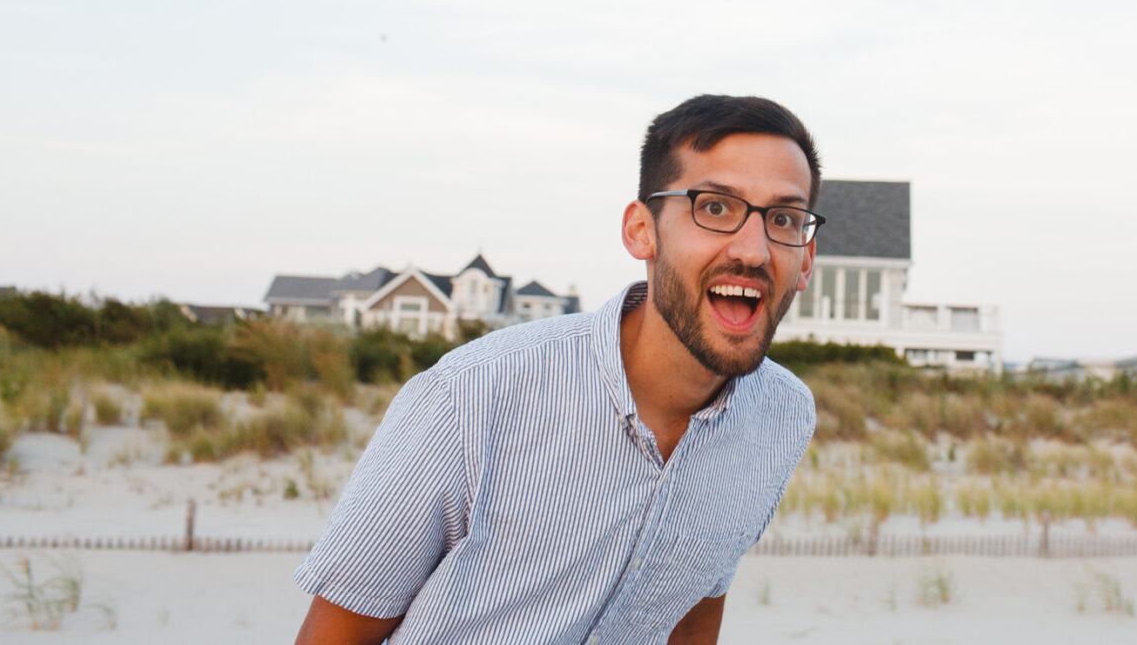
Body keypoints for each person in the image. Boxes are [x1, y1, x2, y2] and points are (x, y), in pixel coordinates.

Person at [291, 94, 823, 645]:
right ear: (642, 230)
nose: (754, 251)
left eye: (784, 219)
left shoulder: (781, 418)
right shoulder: (470, 397)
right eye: (714, 208)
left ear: (805, 260)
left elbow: (689, 619)